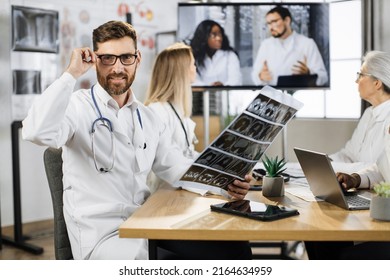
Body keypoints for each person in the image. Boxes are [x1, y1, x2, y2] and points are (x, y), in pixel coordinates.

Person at [22, 21, 252, 260]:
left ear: (137, 59)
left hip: (145, 224)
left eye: (126, 58)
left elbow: (176, 167)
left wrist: (226, 183)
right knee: (176, 262)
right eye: (108, 58)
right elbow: (36, 132)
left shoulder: (148, 117)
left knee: (233, 248)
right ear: (94, 60)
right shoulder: (77, 107)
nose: (118, 68)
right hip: (102, 237)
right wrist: (71, 73)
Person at [144, 42, 199, 192]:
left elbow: (187, 153)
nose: (195, 69)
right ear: (181, 71)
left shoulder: (178, 111)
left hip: (178, 190)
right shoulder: (156, 112)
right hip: (162, 195)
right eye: (192, 64)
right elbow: (168, 162)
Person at [329, 50, 390, 166]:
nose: (356, 81)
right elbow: (349, 155)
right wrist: (326, 162)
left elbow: (379, 168)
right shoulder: (368, 113)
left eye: (361, 75)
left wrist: (349, 173)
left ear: (377, 83)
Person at [251, 6, 328, 87]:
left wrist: (309, 74)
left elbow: (323, 77)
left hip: (299, 94)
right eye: (268, 23)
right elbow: (254, 75)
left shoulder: (307, 43)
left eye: (274, 21)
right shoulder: (266, 45)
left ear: (287, 20)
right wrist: (260, 76)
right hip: (272, 95)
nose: (271, 27)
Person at [190, 19, 242, 86]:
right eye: (214, 35)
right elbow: (193, 81)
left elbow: (235, 80)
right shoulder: (193, 57)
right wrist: (210, 87)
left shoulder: (230, 55)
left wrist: (223, 86)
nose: (219, 38)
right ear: (203, 37)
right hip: (202, 95)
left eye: (220, 34)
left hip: (228, 94)